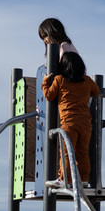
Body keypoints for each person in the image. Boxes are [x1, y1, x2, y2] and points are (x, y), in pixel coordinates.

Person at [41, 51, 98, 185]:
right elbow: (96, 91)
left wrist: (45, 82)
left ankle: (63, 179)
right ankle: (84, 179)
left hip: (68, 123)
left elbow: (49, 95)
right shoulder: (87, 81)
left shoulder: (60, 80)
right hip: (85, 124)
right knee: (82, 152)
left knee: (66, 152)